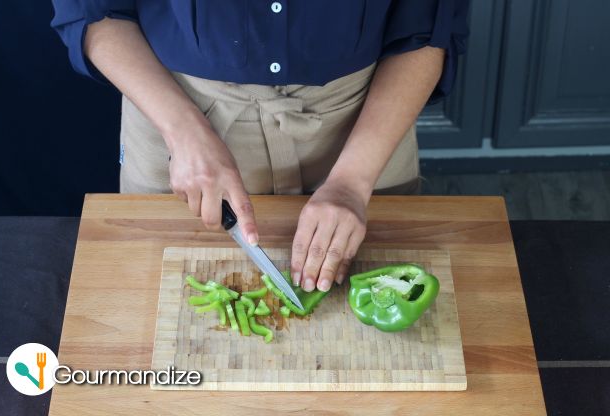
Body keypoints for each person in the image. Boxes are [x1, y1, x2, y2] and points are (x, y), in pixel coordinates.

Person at [51, 1, 469, 293]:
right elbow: (93, 13)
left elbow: (428, 28)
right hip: (178, 128)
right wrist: (183, 132)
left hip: (362, 130)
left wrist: (352, 182)